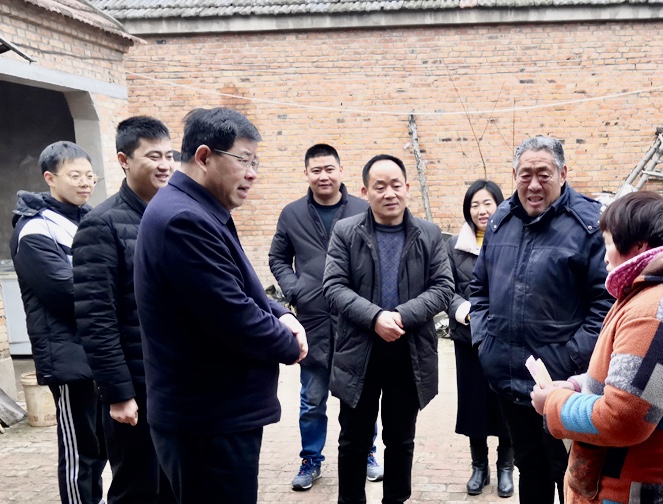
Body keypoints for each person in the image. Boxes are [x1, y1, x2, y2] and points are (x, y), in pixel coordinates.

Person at [134, 107, 308, 503]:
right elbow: (233, 314)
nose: (252, 173)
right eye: (243, 160)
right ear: (204, 156)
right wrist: (290, 344)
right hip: (207, 422)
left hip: (212, 418)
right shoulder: (184, 220)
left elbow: (239, 287)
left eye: (255, 162)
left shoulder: (197, 209)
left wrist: (283, 315)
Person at [470, 136, 614, 504]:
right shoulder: (501, 220)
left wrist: (569, 359)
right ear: (514, 175)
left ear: (563, 174)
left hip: (562, 383)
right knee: (528, 467)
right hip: (507, 376)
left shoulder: (588, 225)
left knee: (568, 473)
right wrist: (485, 342)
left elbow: (605, 302)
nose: (533, 185)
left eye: (544, 174)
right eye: (525, 175)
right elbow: (479, 288)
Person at [323, 154, 454, 503]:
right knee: (353, 440)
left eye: (396, 185)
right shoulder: (346, 232)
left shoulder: (428, 234)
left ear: (407, 188)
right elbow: (333, 287)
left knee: (400, 440)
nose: (389, 193)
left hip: (409, 353)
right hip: (359, 353)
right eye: (379, 186)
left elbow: (443, 287)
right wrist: (375, 318)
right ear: (365, 192)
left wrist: (401, 316)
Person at [531, 191, 663, 504]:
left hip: (630, 491)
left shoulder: (654, 309)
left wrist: (553, 403)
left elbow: (622, 419)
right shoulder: (646, 294)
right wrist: (574, 385)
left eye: (608, 243)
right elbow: (629, 377)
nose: (604, 257)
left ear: (638, 245)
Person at [72, 116, 175, 503]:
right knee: (138, 489)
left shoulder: (173, 216)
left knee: (175, 486)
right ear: (123, 160)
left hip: (173, 385)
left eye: (169, 155)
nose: (165, 165)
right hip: (136, 389)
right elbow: (96, 318)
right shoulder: (101, 225)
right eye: (153, 156)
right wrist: (118, 394)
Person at [268, 143, 382, 491]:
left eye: (329, 169)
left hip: (355, 321)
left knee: (359, 395)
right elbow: (277, 258)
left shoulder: (362, 210)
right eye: (316, 170)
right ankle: (311, 458)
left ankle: (366, 453)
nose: (323, 176)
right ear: (306, 174)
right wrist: (296, 289)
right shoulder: (292, 214)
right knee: (312, 399)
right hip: (313, 321)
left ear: (341, 171)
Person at [10, 141, 107, 504]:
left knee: (103, 446)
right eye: (75, 175)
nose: (85, 183)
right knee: (81, 451)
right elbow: (66, 292)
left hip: (100, 350)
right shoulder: (36, 230)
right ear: (50, 178)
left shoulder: (89, 219)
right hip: (68, 356)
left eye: (90, 176)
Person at [445, 179, 513, 498]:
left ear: (500, 205)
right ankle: (479, 467)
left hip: (506, 340)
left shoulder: (514, 240)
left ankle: (506, 467)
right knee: (474, 404)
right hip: (469, 338)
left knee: (507, 403)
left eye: (488, 203)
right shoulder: (454, 247)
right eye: (475, 205)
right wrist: (468, 313)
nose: (481, 210)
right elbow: (445, 288)